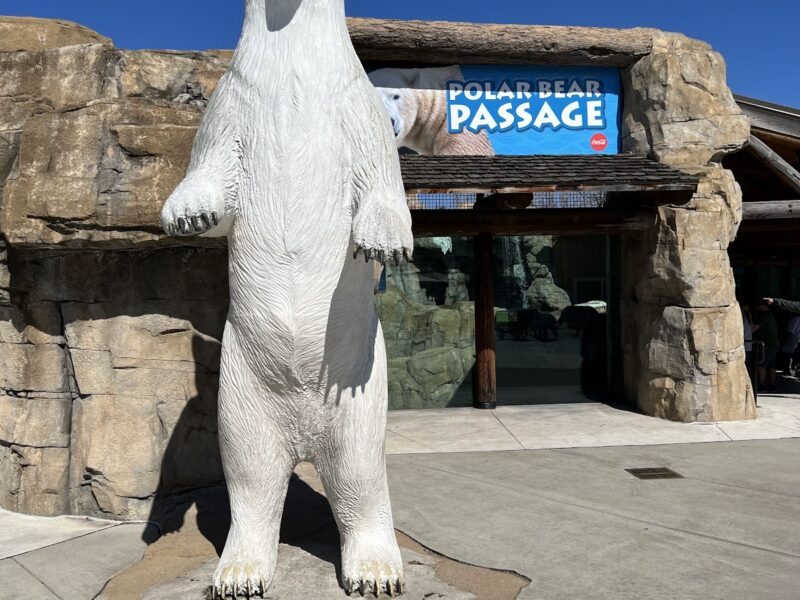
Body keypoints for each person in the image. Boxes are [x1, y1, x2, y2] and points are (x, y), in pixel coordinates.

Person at [752, 300, 780, 392]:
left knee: (761, 365)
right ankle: (772, 385)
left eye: (758, 306)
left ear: (763, 306)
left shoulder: (764, 315)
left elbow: (753, 328)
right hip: (773, 344)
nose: (757, 308)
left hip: (767, 345)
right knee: (771, 366)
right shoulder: (769, 315)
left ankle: (762, 385)